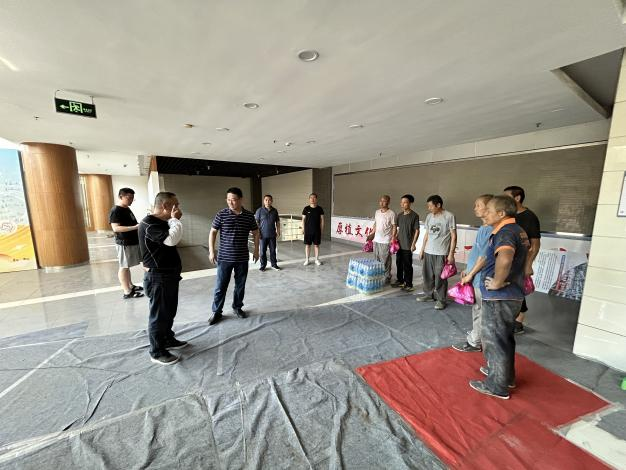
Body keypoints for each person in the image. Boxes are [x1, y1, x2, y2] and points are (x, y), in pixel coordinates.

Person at [469, 195, 530, 399]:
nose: (484, 214)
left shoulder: (505, 232)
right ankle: (505, 377)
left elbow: (505, 258)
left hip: (500, 296)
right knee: (504, 338)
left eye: (488, 210)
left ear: (501, 213)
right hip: (512, 294)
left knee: (494, 339)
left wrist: (496, 282)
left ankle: (497, 385)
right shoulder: (517, 230)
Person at [139, 191, 186, 365]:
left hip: (168, 275)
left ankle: (167, 339)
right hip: (158, 277)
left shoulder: (161, 222)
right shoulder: (149, 223)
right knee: (159, 315)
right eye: (176, 205)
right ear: (166, 206)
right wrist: (175, 220)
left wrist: (173, 221)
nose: (178, 208)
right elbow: (171, 240)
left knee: (169, 311)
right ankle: (157, 351)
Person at [208, 187, 260, 325]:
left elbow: (256, 233)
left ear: (241, 199)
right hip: (224, 257)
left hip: (242, 258)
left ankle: (237, 307)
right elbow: (213, 232)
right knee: (220, 286)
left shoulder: (249, 216)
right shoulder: (221, 214)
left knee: (240, 285)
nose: (231, 202)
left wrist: (256, 250)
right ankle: (217, 311)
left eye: (234, 200)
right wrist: (212, 251)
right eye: (228, 200)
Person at [452, 194, 493, 352]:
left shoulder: (491, 230)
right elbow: (477, 253)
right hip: (475, 276)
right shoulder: (483, 228)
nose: (475, 208)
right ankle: (477, 335)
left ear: (489, 208)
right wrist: (468, 270)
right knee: (477, 308)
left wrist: (471, 274)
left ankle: (476, 342)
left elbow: (484, 257)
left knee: (480, 311)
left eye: (478, 205)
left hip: (482, 278)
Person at [503, 186, 540, 334]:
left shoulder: (530, 217)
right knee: (507, 288)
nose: (504, 200)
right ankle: (508, 317)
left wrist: (528, 264)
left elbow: (535, 244)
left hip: (520, 261)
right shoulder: (507, 216)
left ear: (517, 198)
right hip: (507, 259)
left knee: (517, 290)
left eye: (507, 197)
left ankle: (518, 322)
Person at [416, 195, 457, 310]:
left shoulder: (449, 216)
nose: (429, 208)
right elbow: (427, 234)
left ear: (438, 205)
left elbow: (454, 236)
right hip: (428, 251)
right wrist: (422, 249)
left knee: (440, 277)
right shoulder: (429, 216)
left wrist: (451, 254)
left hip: (442, 252)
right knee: (427, 275)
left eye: (430, 206)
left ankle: (441, 299)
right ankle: (429, 295)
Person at [109, 187, 144, 299]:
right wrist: (135, 227)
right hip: (124, 242)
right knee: (123, 266)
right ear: (121, 197)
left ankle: (130, 285)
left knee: (127, 266)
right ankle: (127, 291)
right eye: (129, 198)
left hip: (131, 241)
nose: (131, 200)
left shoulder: (126, 208)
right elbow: (116, 228)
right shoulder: (116, 210)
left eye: (132, 198)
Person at [392, 194, 420, 292]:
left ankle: (409, 284)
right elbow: (399, 229)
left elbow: (417, 231)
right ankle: (400, 280)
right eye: (401, 202)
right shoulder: (399, 215)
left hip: (407, 245)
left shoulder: (414, 216)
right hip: (399, 244)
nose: (402, 204)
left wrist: (413, 244)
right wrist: (394, 238)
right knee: (399, 263)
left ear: (410, 203)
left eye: (405, 202)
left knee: (407, 265)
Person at [367, 195, 396, 283]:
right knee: (377, 259)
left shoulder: (392, 213)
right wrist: (372, 233)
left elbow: (394, 226)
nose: (382, 203)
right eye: (381, 201)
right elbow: (375, 224)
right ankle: (378, 274)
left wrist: (393, 238)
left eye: (384, 201)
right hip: (376, 240)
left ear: (388, 202)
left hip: (386, 240)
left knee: (385, 260)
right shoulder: (377, 212)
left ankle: (387, 276)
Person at [255, 194, 281, 272]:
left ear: (271, 201)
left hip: (272, 235)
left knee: (273, 251)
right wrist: (258, 233)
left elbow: (277, 221)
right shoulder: (259, 210)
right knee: (262, 252)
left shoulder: (274, 211)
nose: (267, 201)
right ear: (264, 201)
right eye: (266, 200)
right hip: (262, 235)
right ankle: (263, 265)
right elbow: (256, 223)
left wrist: (278, 230)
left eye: (269, 200)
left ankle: (274, 265)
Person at [301, 193, 324, 266]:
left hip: (317, 231)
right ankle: (307, 260)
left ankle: (316, 260)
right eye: (311, 198)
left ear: (316, 199)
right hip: (308, 231)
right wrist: (303, 229)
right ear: (309, 199)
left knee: (316, 245)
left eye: (314, 198)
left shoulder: (320, 209)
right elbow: (303, 220)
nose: (312, 199)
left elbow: (322, 220)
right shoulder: (306, 208)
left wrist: (321, 229)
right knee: (307, 245)